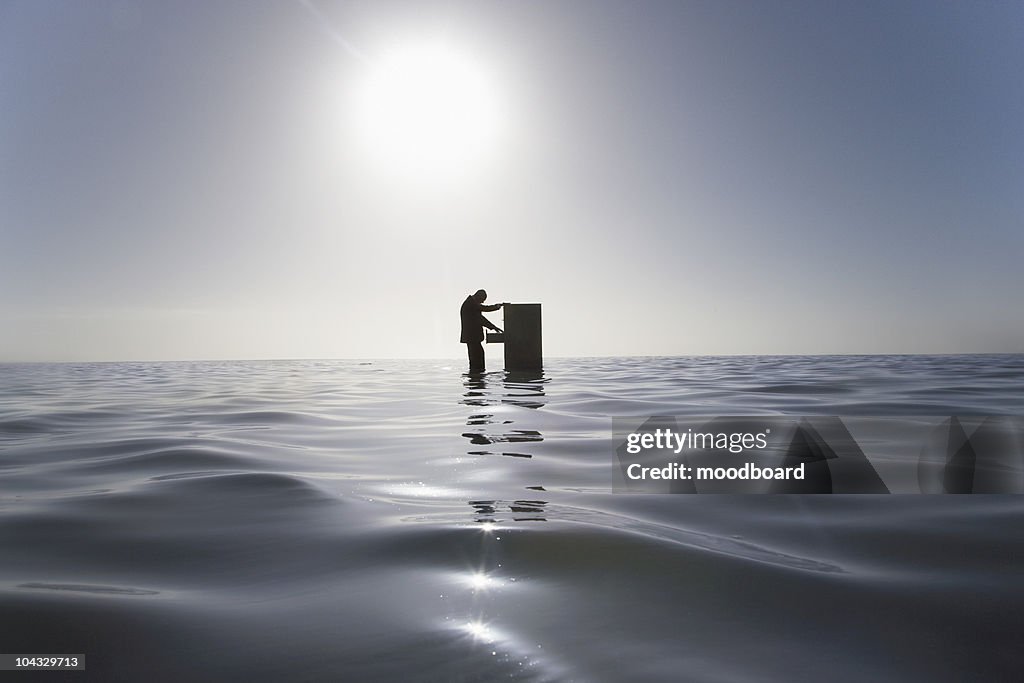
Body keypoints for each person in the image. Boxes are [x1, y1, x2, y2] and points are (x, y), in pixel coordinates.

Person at [460, 289, 503, 372]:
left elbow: (481, 313)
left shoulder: (471, 303)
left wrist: (496, 306)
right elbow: (481, 317)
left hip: (472, 338)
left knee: (476, 358)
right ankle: (477, 378)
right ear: (478, 296)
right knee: (477, 359)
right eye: (482, 300)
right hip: (472, 338)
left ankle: (476, 377)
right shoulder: (471, 304)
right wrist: (493, 327)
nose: (482, 302)